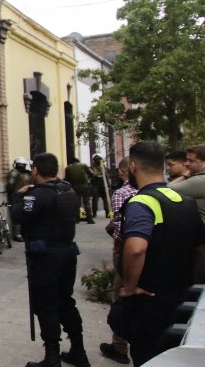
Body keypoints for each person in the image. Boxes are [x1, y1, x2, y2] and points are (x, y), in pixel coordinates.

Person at [109, 141, 205, 366]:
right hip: (181, 298)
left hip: (149, 301)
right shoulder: (185, 201)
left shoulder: (142, 203)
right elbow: (201, 249)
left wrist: (130, 287)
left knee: (147, 357)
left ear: (133, 166)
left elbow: (136, 249)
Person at [11, 152, 89, 367]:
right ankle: (78, 350)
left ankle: (52, 357)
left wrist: (19, 196)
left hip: (45, 257)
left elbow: (18, 215)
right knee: (66, 301)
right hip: (67, 252)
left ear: (35, 169)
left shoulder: (37, 195)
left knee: (46, 304)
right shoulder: (68, 190)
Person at [100, 158, 135, 365]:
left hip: (127, 251)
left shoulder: (122, 193)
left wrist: (117, 246)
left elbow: (120, 226)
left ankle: (119, 346)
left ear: (125, 171)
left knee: (120, 295)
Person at [168, 144, 205, 220]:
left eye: (191, 161)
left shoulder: (201, 180)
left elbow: (167, 189)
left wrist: (185, 175)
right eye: (187, 160)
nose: (187, 164)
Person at [7, 157, 33, 242]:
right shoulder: (27, 174)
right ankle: (18, 233)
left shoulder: (16, 172)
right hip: (24, 195)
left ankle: (19, 233)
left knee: (20, 214)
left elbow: (10, 185)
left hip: (19, 196)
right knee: (23, 213)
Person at [64, 157, 95, 224]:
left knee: (77, 203)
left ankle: (76, 219)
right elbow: (92, 174)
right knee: (86, 203)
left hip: (75, 187)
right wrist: (89, 180)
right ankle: (89, 219)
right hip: (85, 186)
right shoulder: (84, 165)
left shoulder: (68, 168)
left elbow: (66, 179)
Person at [89, 154, 111, 218]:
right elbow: (92, 175)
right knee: (95, 200)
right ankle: (94, 213)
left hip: (103, 185)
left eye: (99, 159)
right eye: (97, 159)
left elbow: (106, 177)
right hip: (95, 185)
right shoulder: (91, 168)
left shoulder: (104, 167)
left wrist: (108, 186)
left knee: (106, 200)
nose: (98, 160)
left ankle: (107, 213)